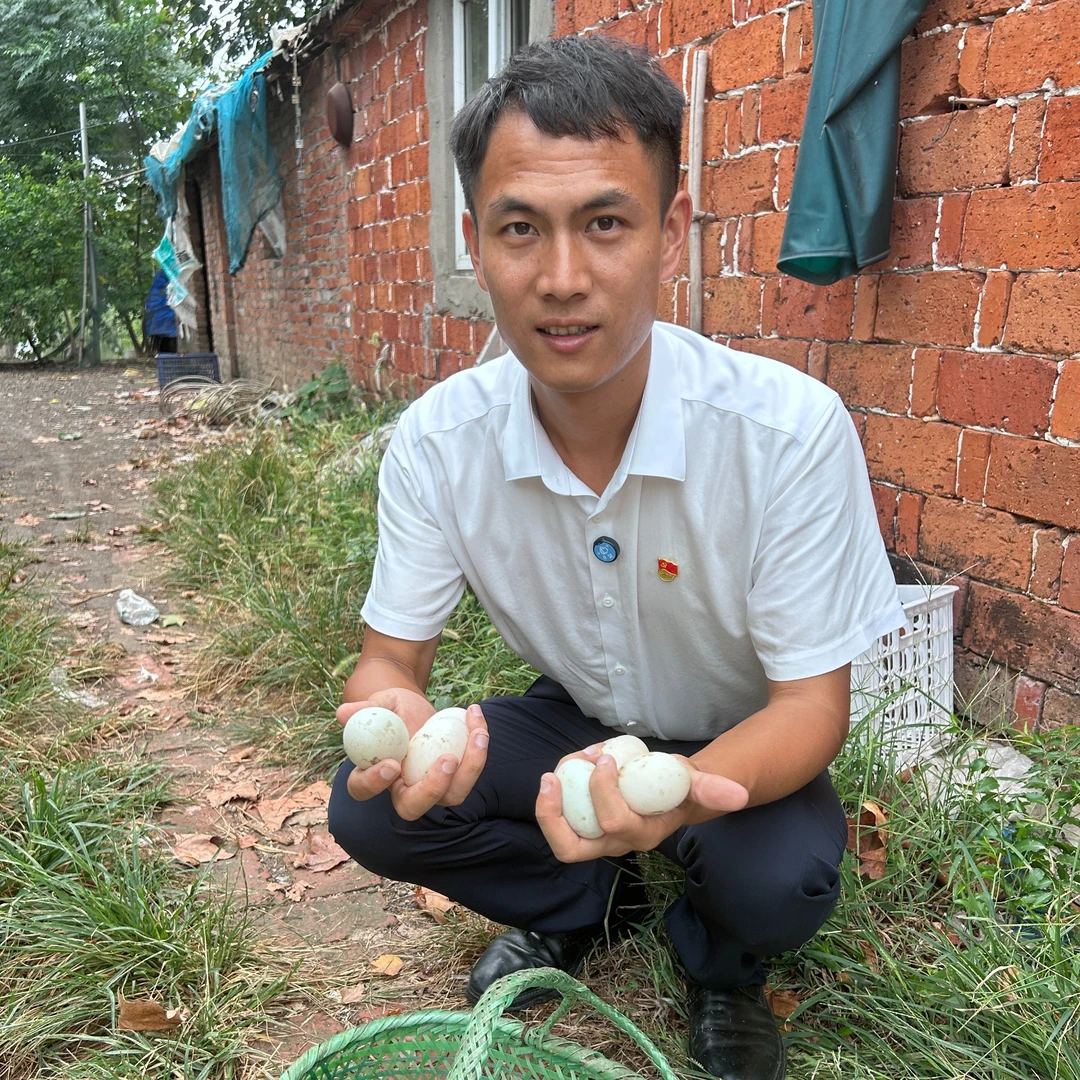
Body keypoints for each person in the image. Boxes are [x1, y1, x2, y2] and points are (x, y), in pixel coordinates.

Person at [327, 35, 906, 1080]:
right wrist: (400, 719)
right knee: (368, 808)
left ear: (670, 230)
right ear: (475, 240)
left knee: (782, 882)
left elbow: (813, 708)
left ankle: (719, 964)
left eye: (604, 223)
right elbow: (388, 664)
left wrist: (680, 789)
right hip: (575, 719)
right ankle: (582, 900)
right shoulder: (437, 442)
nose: (562, 279)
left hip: (743, 737)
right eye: (519, 229)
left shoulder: (788, 431)